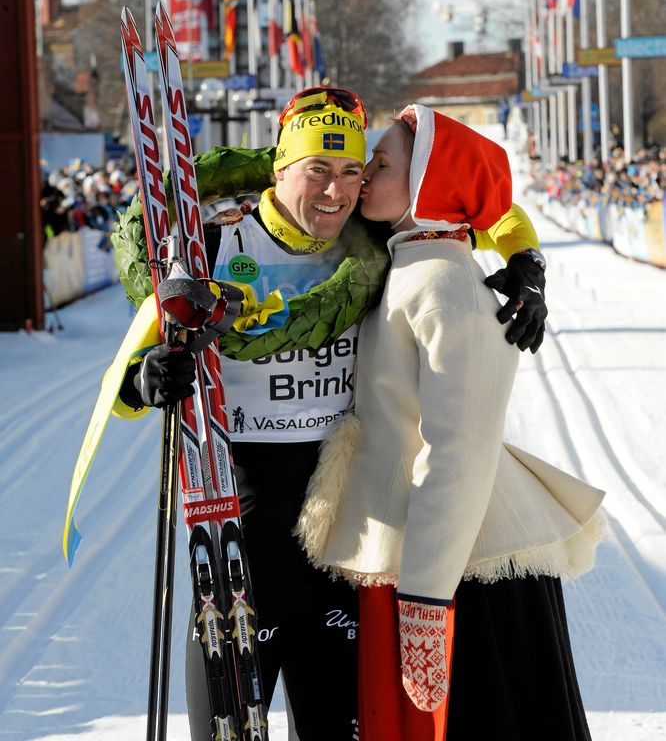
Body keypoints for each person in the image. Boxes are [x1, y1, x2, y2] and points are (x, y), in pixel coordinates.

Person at [114, 88, 550, 741]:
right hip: (242, 541)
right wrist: (145, 381)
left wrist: (527, 260)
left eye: (352, 171)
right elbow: (127, 385)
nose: (336, 190)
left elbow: (485, 202)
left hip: (345, 541)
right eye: (317, 169)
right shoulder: (211, 241)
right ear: (279, 166)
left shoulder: (370, 237)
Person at [297, 105, 605, 741]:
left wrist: (427, 598)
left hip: (455, 567)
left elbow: (457, 452)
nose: (362, 176)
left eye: (381, 165)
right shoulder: (410, 265)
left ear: (429, 181)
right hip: (422, 554)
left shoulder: (445, 289)